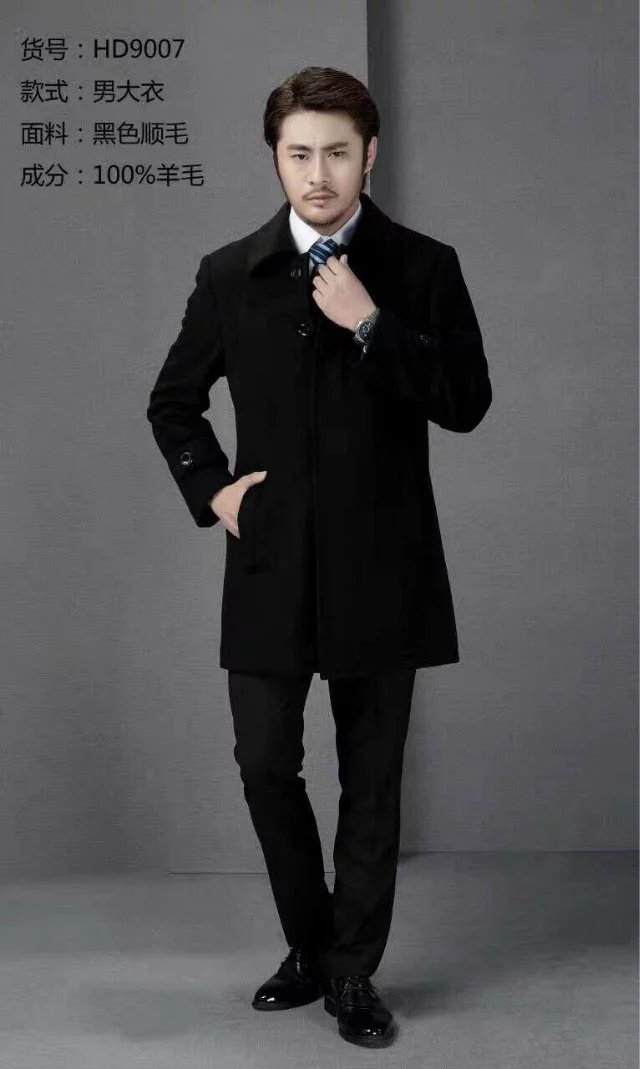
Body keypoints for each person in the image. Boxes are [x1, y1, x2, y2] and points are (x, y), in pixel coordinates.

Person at [146, 66, 492, 1049]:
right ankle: (310, 943)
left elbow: (466, 401)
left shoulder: (421, 266)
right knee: (265, 763)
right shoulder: (231, 273)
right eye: (299, 153)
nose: (318, 174)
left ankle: (351, 974)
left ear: (370, 155)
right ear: (275, 158)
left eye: (337, 152)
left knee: (372, 780)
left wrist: (371, 321)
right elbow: (173, 402)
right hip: (270, 567)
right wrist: (215, 490)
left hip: (384, 563)